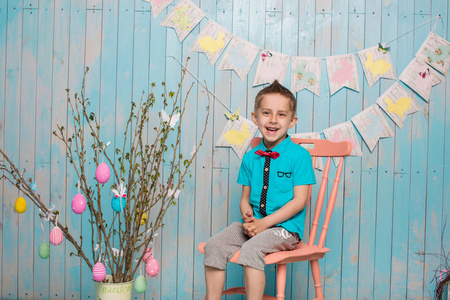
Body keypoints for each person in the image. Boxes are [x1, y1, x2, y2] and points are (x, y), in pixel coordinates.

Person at [203, 80, 316, 300]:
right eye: (266, 113)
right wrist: (248, 215)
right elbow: (245, 199)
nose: (273, 120)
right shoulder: (250, 157)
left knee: (251, 249)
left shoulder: (299, 156)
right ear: (255, 118)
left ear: (292, 121)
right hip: (255, 225)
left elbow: (299, 201)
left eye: (281, 115)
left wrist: (264, 223)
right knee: (214, 245)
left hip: (285, 229)